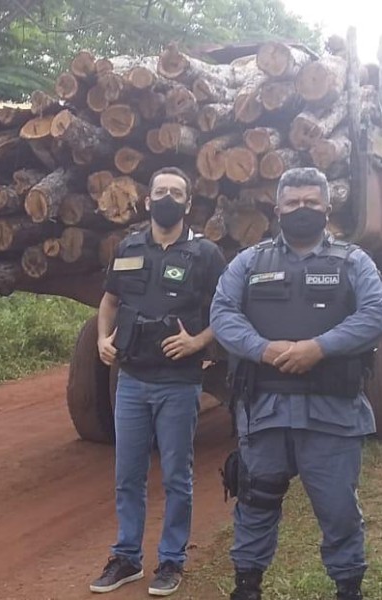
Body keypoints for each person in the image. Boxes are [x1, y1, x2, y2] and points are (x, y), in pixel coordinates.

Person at [210, 167, 382, 600]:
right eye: (292, 203)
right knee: (255, 501)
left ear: (327, 208)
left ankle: (348, 587)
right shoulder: (249, 262)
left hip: (332, 413)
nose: (301, 209)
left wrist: (319, 348)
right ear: (277, 210)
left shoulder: (353, 261)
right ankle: (247, 587)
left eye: (311, 202)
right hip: (265, 410)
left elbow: (376, 314)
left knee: (338, 509)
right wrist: (262, 349)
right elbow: (222, 313)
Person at [88, 167, 226, 597]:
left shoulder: (205, 254)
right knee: (127, 474)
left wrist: (198, 341)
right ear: (147, 201)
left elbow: (229, 310)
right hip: (131, 379)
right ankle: (127, 557)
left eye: (176, 192)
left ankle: (171, 561)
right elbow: (110, 300)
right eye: (160, 191)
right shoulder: (128, 247)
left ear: (188, 204)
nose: (167, 198)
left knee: (176, 478)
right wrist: (102, 339)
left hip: (179, 384)